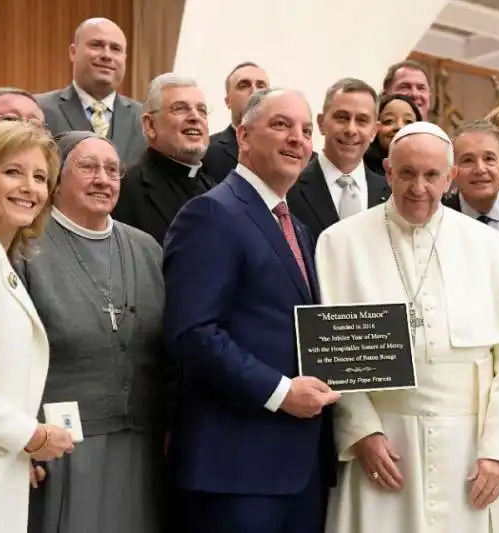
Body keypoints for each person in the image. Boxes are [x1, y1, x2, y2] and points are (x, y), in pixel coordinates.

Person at [317, 121, 499, 533]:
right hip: (385, 446)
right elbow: (333, 354)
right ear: (388, 171)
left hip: (471, 451)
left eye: (431, 175)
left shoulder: (487, 245)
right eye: (407, 173)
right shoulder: (339, 242)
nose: (418, 187)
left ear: (450, 178)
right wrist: (361, 433)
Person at [162, 88, 340, 533]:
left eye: (305, 130)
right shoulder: (210, 213)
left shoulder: (295, 225)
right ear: (242, 135)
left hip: (298, 467)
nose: (297, 139)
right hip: (234, 469)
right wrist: (280, 392)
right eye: (281, 125)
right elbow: (193, 333)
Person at [17, 132, 166, 533]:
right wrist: (21, 439)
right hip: (57, 448)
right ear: (57, 179)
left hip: (139, 442)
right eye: (88, 167)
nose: (103, 179)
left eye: (113, 170)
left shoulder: (146, 249)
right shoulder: (25, 245)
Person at [0, 121, 73, 533]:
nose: (29, 187)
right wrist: (30, 435)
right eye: (12, 172)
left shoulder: (3, 258)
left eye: (40, 177)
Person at [112, 73, 214, 245]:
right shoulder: (124, 190)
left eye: (202, 111)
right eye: (180, 108)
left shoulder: (215, 188)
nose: (195, 117)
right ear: (150, 125)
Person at [288, 78, 390, 242]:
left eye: (362, 120)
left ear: (374, 131)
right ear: (321, 123)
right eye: (342, 117)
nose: (351, 130)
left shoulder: (390, 194)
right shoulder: (290, 188)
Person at [36, 18, 145, 166]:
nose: (107, 55)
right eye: (96, 45)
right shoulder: (38, 110)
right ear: (73, 52)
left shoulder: (145, 119)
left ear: (124, 58)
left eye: (115, 49)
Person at [444, 120, 499, 262]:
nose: (480, 169)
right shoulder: (438, 219)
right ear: (452, 171)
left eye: (489, 159)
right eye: (468, 160)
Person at [203, 62, 270, 183]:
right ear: (228, 101)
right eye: (244, 85)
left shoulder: (294, 152)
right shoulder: (206, 152)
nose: (255, 92)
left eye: (261, 86)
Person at [363, 93, 422, 177]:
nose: (399, 127)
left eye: (408, 121)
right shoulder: (361, 171)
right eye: (388, 121)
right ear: (374, 129)